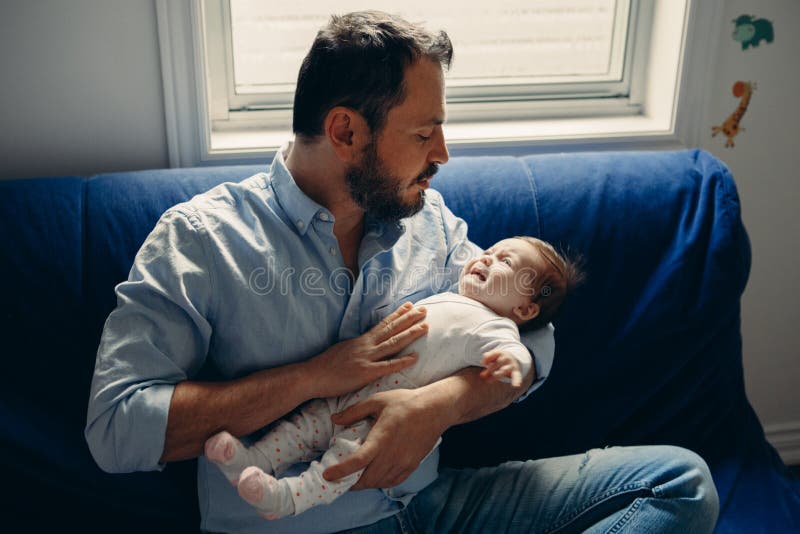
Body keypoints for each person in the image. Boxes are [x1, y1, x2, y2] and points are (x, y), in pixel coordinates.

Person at [86, 10, 719, 534]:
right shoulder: (201, 240)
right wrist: (312, 377)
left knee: (679, 484)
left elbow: (533, 337)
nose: (443, 156)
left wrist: (437, 407)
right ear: (345, 132)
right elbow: (117, 429)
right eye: (424, 134)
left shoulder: (429, 220)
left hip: (428, 509)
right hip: (295, 522)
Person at [204, 236, 579, 519]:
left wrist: (511, 364)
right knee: (303, 426)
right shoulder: (459, 291)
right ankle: (253, 459)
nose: (484, 257)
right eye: (490, 251)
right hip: (353, 389)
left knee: (344, 461)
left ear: (524, 308)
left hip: (387, 416)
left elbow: (522, 351)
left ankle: (285, 499)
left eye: (505, 262)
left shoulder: (495, 327)